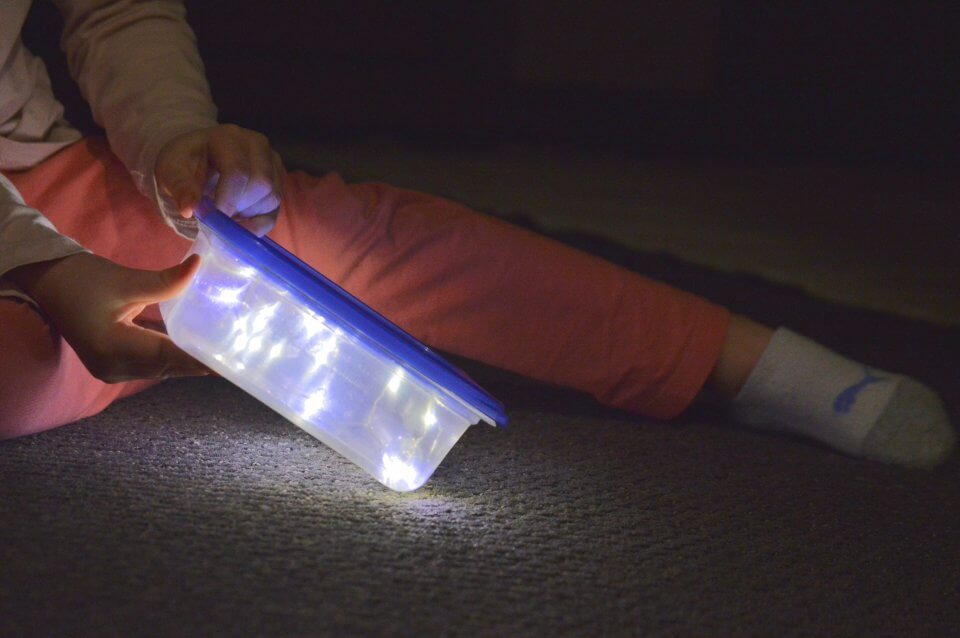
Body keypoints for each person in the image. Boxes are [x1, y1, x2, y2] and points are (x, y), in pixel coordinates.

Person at [0, 0, 953, 467]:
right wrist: (42, 265)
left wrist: (176, 139)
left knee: (340, 233)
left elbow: (116, 8)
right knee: (23, 368)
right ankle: (100, 342)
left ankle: (746, 366)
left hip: (38, 160)